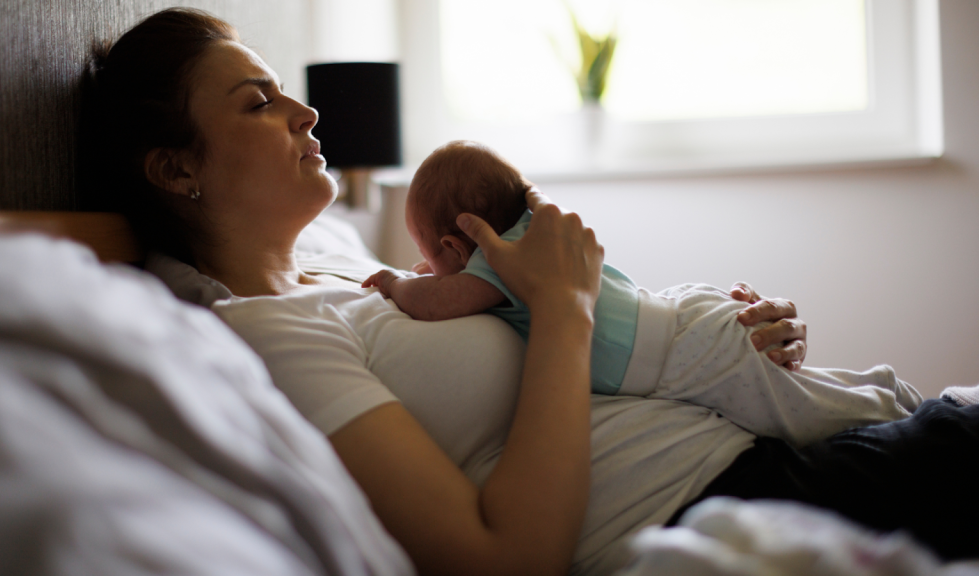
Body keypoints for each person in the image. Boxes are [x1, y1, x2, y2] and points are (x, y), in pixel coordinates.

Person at [82, 8, 978, 574]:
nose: (306, 112)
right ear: (174, 168)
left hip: (750, 446)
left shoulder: (346, 267)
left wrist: (722, 342)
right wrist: (565, 309)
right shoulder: (267, 336)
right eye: (257, 102)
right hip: (713, 501)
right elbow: (501, 557)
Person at [361, 140, 923, 447]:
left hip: (683, 349)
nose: (431, 271)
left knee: (800, 416)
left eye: (430, 257)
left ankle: (888, 401)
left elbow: (436, 302)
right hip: (681, 316)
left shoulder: (496, 263)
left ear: (454, 248)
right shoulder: (535, 233)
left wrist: (395, 282)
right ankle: (881, 390)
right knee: (795, 397)